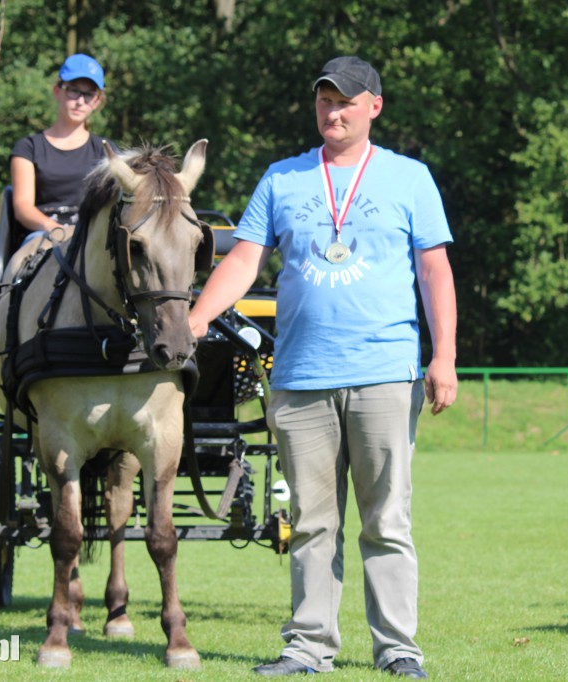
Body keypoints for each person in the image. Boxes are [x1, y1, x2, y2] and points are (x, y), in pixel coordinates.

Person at [188, 56, 457, 679]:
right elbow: (244, 259)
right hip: (300, 376)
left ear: (374, 107)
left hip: (386, 372)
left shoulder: (410, 178)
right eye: (324, 101)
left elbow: (434, 270)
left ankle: (398, 649)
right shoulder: (283, 178)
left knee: (387, 519)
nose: (333, 112)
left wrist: (442, 357)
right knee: (311, 521)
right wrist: (199, 316)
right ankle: (308, 648)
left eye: (345, 102)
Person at [10, 53, 111, 244]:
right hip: (42, 236)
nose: (80, 101)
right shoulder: (28, 148)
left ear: (97, 101)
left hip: (92, 239)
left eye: (88, 94)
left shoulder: (106, 151)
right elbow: (23, 207)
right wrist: (53, 228)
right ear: (58, 91)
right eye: (73, 91)